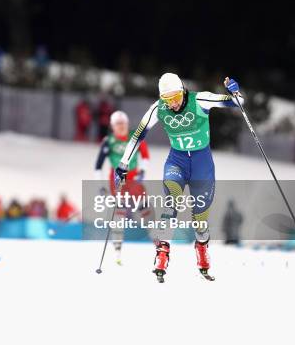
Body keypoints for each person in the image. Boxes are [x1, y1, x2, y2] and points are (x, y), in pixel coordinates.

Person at [114, 73, 242, 282]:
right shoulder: (159, 108)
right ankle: (162, 253)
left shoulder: (200, 99)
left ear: (182, 90)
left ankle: (201, 249)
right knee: (172, 201)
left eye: (175, 96)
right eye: (166, 99)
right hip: (177, 163)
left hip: (202, 166)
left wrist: (235, 92)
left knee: (200, 218)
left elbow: (238, 103)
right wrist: (123, 163)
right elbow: (138, 135)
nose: (172, 103)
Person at [95, 110, 150, 265]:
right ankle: (117, 249)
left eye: (123, 123)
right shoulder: (109, 141)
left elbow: (145, 156)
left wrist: (143, 172)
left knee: (144, 207)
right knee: (119, 212)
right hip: (116, 178)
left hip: (133, 176)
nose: (121, 127)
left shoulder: (135, 137)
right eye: (117, 124)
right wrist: (100, 186)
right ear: (112, 126)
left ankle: (158, 242)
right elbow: (98, 166)